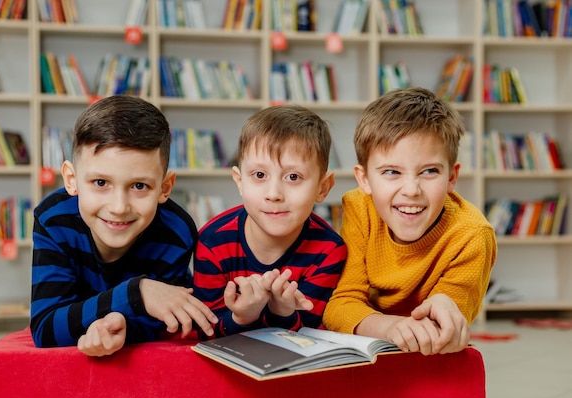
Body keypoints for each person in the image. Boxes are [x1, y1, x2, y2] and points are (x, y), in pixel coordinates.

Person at [30, 95, 217, 357]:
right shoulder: (53, 219)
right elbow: (45, 328)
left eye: (139, 186)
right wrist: (136, 294)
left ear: (164, 188)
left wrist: (119, 327)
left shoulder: (176, 232)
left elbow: (158, 325)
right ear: (71, 180)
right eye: (100, 183)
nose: (119, 207)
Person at [323, 87, 497, 355]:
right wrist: (390, 327)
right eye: (392, 171)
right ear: (364, 179)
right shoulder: (360, 207)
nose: (411, 190)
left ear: (451, 176)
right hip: (368, 347)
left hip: (427, 358)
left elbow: (441, 330)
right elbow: (340, 306)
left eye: (429, 171)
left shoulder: (472, 235)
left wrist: (444, 304)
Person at [192, 104, 347, 338]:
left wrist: (283, 313)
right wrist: (242, 317)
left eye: (293, 177)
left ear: (323, 187)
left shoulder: (329, 250)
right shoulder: (212, 241)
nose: (274, 193)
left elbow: (311, 338)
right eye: (259, 175)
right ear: (239, 181)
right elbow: (204, 331)